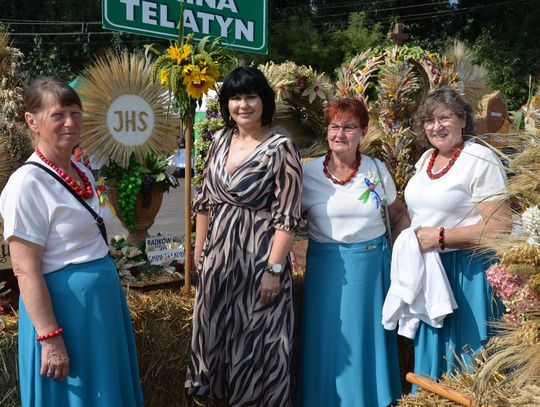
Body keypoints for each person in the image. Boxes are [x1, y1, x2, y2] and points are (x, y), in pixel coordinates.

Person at [0, 77, 143, 406]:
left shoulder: (82, 171)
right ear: (31, 121)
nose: (70, 122)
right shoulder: (27, 184)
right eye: (58, 115)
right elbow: (25, 270)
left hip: (100, 307)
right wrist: (50, 338)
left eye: (75, 113)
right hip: (65, 312)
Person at [185, 66, 302, 406]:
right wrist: (199, 250)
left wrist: (273, 271)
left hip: (258, 261)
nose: (243, 105)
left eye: (251, 96)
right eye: (235, 98)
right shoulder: (219, 141)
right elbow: (204, 202)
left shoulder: (282, 148)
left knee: (256, 346)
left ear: (265, 100)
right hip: (220, 259)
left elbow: (288, 218)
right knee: (216, 337)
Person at [299, 98, 408, 406]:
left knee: (363, 339)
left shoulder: (376, 170)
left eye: (349, 127)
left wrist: (403, 261)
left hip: (370, 270)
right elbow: (285, 219)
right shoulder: (308, 174)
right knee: (327, 339)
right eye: (334, 126)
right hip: (325, 270)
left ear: (363, 132)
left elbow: (399, 215)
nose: (340, 134)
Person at [405, 87, 510, 382]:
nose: (436, 126)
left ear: (463, 120)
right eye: (429, 120)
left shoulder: (480, 158)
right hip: (431, 273)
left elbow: (499, 226)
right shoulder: (426, 159)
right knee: (435, 366)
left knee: (468, 364)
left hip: (468, 274)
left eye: (444, 118)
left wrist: (440, 238)